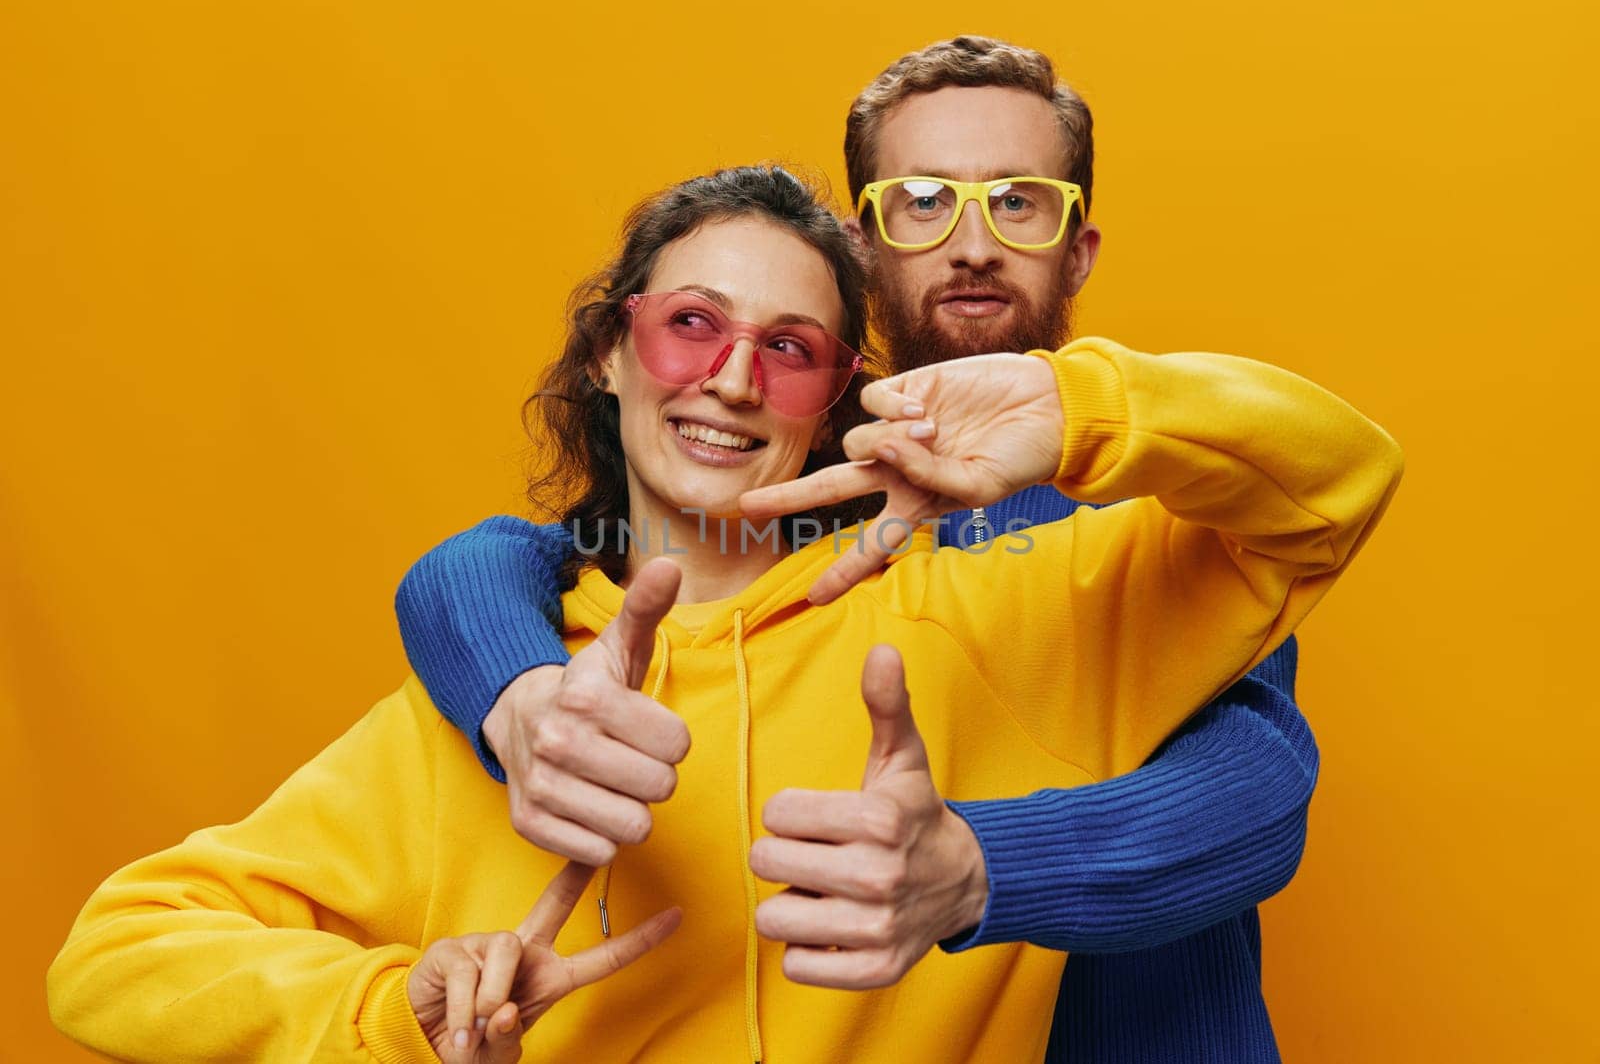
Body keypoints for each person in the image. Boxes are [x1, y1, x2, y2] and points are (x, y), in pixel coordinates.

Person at [48, 165, 1401, 1062]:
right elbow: (112, 955)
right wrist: (391, 1006)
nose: (734, 379)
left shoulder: (998, 615)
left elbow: (1336, 479)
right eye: (692, 322)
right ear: (611, 349)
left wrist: (1079, 406)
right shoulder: (512, 708)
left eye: (792, 347)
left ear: (838, 395)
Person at [397, 36, 1320, 1060]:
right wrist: (514, 689)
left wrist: (975, 867)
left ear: (1079, 247)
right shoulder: (797, 484)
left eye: (1016, 201)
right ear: (863, 241)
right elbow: (526, 558)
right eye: (923, 201)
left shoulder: (1159, 505)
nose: (971, 244)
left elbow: (1259, 786)